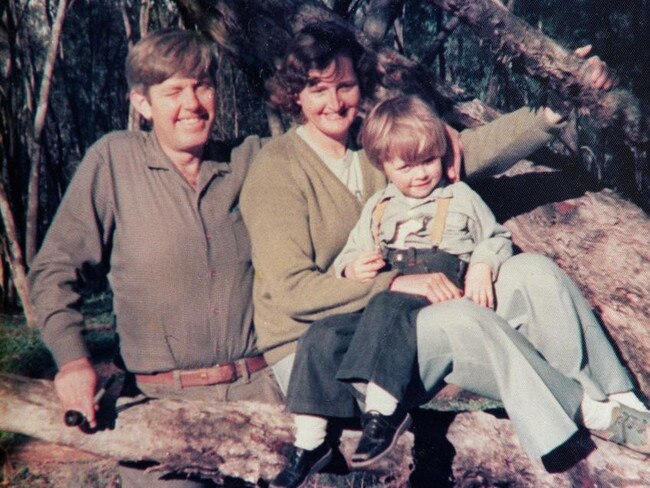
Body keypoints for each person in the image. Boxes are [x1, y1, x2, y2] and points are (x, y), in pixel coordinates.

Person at [239, 22, 649, 488]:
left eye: (345, 86)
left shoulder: (375, 143)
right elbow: (291, 291)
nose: (334, 103)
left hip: (406, 313)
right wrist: (390, 283)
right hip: (330, 348)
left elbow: (467, 152)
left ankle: (624, 401)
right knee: (461, 319)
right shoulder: (277, 168)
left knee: (532, 273)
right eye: (317, 89)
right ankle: (582, 410)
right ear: (294, 94)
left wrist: (557, 106)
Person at [28, 30, 283, 488]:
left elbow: (354, 149)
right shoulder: (114, 162)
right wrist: (71, 360)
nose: (193, 103)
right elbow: (54, 270)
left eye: (203, 86)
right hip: (159, 407)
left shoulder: (248, 159)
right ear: (143, 104)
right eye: (173, 91)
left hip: (259, 401)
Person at [283, 93, 515, 470]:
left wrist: (482, 266)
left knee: (389, 304)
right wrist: (351, 268)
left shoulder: (458, 197)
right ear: (383, 166)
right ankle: (310, 441)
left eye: (428, 161)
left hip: (435, 300)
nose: (421, 174)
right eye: (406, 167)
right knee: (323, 333)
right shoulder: (378, 207)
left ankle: (382, 415)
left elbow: (497, 238)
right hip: (385, 304)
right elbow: (347, 255)